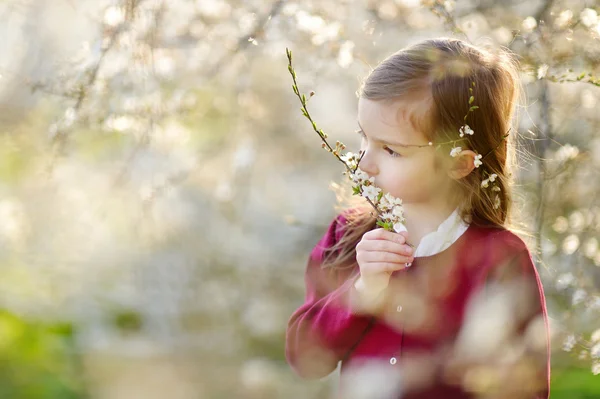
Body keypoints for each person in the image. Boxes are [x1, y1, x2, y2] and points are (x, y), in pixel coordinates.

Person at [285, 37, 550, 399]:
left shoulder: (499, 257)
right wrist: (363, 290)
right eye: (365, 139)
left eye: (392, 150)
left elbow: (525, 385)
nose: (364, 163)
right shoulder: (349, 234)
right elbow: (303, 356)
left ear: (458, 162)